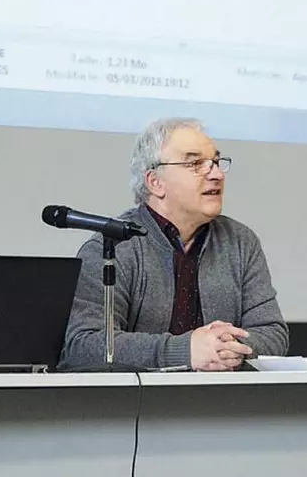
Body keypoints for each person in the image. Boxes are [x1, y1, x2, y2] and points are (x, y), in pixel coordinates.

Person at [60, 118, 289, 371]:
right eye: (195, 164)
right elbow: (84, 344)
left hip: (226, 402)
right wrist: (185, 350)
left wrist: (225, 346)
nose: (216, 174)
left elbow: (273, 333)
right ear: (155, 182)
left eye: (215, 162)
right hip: (135, 406)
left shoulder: (239, 241)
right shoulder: (112, 247)